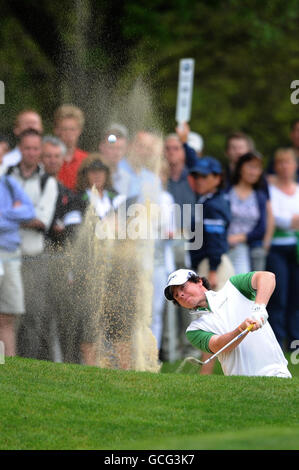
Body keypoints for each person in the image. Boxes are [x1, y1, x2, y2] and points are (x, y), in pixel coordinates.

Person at [164, 268, 292, 377]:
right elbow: (218, 346)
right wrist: (241, 329)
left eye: (183, 287)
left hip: (277, 373)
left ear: (198, 281)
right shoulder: (194, 330)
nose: (180, 294)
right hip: (240, 386)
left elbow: (267, 277)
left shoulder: (234, 286)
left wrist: (259, 309)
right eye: (176, 295)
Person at [7, 129, 59, 360]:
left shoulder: (48, 182)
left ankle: (25, 363)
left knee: (33, 315)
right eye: (27, 148)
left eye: (35, 149)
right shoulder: (6, 174)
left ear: (40, 151)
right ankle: (8, 359)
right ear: (20, 149)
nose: (31, 152)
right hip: (7, 256)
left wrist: (8, 216)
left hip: (34, 259)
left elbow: (41, 222)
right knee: (8, 314)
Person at [41, 135, 83, 363]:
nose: (52, 160)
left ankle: (60, 361)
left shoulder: (67, 193)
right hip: (34, 257)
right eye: (47, 156)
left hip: (59, 259)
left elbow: (72, 231)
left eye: (57, 156)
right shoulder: (30, 185)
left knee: (61, 315)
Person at [0, 153, 35, 357]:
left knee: (8, 315)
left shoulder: (8, 182)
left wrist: (5, 215)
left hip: (10, 254)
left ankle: (9, 365)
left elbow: (29, 211)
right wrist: (12, 217)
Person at [266, 148, 299, 350]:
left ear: (295, 165)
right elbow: (274, 218)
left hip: (296, 248)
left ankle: (295, 341)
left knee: (296, 296)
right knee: (279, 296)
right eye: (281, 162)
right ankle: (277, 341)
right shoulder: (270, 190)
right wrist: (290, 221)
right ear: (276, 166)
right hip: (277, 248)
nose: (285, 166)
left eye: (289, 162)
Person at [226, 152, 274, 273]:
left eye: (257, 168)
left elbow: (261, 227)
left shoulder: (260, 196)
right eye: (250, 167)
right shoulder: (227, 192)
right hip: (225, 247)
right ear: (240, 168)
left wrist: (239, 238)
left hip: (252, 248)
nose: (254, 172)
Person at [53, 104, 88, 191]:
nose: (69, 134)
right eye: (64, 129)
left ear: (79, 131)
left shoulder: (86, 160)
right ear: (57, 131)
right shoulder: (48, 158)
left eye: (72, 129)